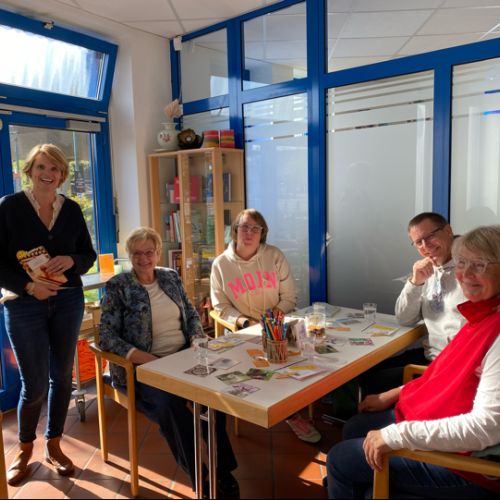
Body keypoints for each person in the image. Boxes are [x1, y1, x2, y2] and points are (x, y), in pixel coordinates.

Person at [326, 225, 500, 499]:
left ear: (447, 231)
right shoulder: (482, 312)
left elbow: (485, 427)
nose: (466, 274)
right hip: (442, 411)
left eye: (479, 265)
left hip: (472, 466)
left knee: (339, 459)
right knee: (355, 426)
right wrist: (393, 394)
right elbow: (408, 324)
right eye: (462, 263)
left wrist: (395, 436)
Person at [98, 227, 239, 497]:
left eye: (149, 252)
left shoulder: (170, 276)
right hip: (143, 367)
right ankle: (200, 476)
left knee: (213, 399)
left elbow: (192, 315)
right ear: (129, 255)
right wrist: (146, 359)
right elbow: (106, 335)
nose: (143, 258)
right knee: (170, 407)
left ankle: (223, 469)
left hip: (183, 358)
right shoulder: (119, 286)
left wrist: (197, 340)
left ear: (158, 252)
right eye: (137, 253)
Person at [0, 144, 96, 485]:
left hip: (68, 301)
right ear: (29, 170)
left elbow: (88, 255)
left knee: (62, 377)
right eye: (41, 166)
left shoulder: (71, 209)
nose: (48, 173)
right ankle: (25, 448)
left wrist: (72, 260)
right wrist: (29, 287)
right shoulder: (9, 207)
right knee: (35, 383)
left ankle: (54, 445)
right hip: (24, 305)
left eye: (55, 168)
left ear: (62, 174)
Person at [210, 208, 321, 444]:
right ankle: (285, 413)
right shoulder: (220, 264)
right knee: (254, 365)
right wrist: (245, 322)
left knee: (308, 355)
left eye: (255, 228)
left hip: (278, 326)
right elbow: (220, 306)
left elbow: (289, 297)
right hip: (243, 331)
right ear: (235, 230)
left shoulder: (274, 256)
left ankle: (291, 409)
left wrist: (272, 321)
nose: (249, 233)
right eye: (244, 227)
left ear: (263, 233)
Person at [360, 212, 466, 396]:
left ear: (448, 231)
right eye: (418, 242)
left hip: (451, 367)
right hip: (431, 354)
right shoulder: (427, 269)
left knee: (371, 381)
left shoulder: (470, 270)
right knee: (365, 370)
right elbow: (404, 318)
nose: (425, 246)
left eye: (430, 236)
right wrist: (415, 282)